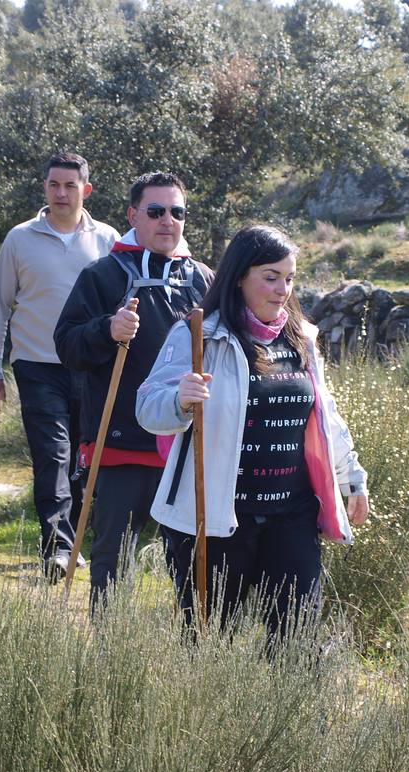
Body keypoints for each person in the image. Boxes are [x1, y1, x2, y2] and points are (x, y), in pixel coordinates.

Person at [136, 225, 370, 638]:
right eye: (271, 277)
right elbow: (147, 408)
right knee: (208, 641)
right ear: (240, 276)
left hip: (292, 517)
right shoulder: (198, 336)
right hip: (216, 520)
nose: (283, 290)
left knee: (297, 642)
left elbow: (324, 417)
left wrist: (352, 479)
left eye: (289, 278)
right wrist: (179, 400)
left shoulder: (301, 338)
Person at [53, 172, 212, 608]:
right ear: (132, 216)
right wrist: (107, 329)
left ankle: (194, 644)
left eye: (177, 212)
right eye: (155, 211)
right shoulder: (103, 275)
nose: (167, 221)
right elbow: (67, 346)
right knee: (114, 558)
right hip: (122, 442)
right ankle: (110, 643)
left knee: (193, 559)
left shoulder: (203, 280)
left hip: (187, 445)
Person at [0, 153, 120, 582]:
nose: (61, 193)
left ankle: (74, 541)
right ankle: (58, 546)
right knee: (53, 454)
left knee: (82, 459)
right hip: (37, 365)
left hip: (92, 365)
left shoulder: (108, 239)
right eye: (53, 185)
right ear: (44, 188)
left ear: (86, 190)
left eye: (70, 186)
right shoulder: (19, 239)